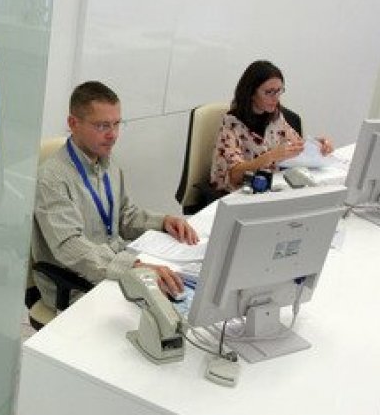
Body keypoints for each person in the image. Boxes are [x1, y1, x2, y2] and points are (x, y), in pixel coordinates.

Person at [32, 81, 199, 311]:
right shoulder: (51, 179)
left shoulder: (107, 163)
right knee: (160, 317)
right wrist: (132, 267)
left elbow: (124, 216)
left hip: (113, 263)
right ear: (73, 124)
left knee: (181, 296)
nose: (113, 135)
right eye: (102, 126)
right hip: (78, 282)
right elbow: (71, 248)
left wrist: (163, 222)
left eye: (117, 124)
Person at [210, 60, 334, 193]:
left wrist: (316, 145)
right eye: (269, 92)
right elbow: (234, 176)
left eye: (279, 91)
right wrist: (270, 157)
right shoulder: (232, 122)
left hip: (269, 188)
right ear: (251, 93)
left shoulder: (275, 116)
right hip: (238, 193)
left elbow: (295, 146)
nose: (276, 98)